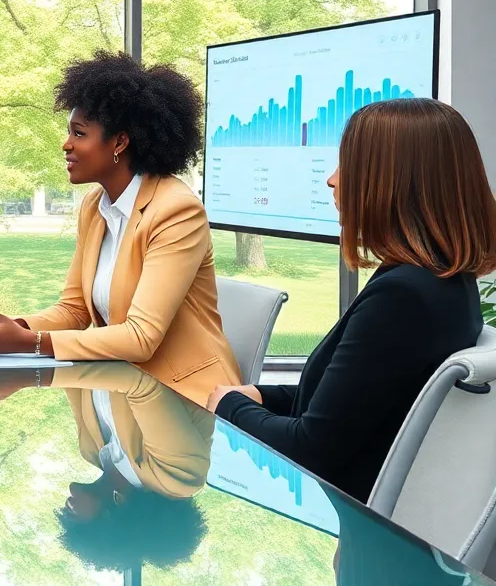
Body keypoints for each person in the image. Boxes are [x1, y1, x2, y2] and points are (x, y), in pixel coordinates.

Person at [209, 98, 496, 503]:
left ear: (394, 183)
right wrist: (262, 396)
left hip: (340, 513)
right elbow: (351, 403)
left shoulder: (403, 299)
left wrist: (229, 406)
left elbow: (310, 450)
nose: (331, 180)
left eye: (348, 164)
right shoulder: (441, 282)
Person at [0, 51, 240, 404]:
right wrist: (13, 328)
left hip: (186, 400)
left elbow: (141, 337)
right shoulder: (95, 207)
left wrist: (30, 343)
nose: (66, 144)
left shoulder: (176, 211)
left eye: (79, 133)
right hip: (123, 389)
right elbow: (74, 310)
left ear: (119, 142)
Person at [0, 361, 212, 573]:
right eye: (78, 522)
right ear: (115, 513)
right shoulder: (178, 477)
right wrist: (28, 378)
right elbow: (140, 381)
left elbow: (68, 366)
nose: (66, 511)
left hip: (111, 327)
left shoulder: (91, 449)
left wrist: (14, 346)